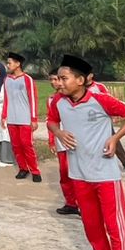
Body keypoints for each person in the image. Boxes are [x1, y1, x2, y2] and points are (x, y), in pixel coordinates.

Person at [47, 55, 125, 250]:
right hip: (79, 175)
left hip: (105, 175)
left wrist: (115, 138)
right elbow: (51, 120)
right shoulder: (59, 101)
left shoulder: (99, 99)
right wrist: (58, 132)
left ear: (80, 80)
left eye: (64, 78)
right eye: (59, 78)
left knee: (116, 229)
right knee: (92, 228)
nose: (60, 83)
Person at [46, 68, 80, 216]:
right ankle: (71, 203)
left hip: (76, 143)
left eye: (58, 79)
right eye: (53, 80)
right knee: (65, 173)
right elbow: (51, 122)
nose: (55, 82)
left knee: (78, 174)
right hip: (61, 143)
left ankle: (83, 204)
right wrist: (52, 141)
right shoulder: (52, 99)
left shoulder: (76, 97)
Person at [3, 53, 41, 180]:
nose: (7, 65)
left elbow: (33, 99)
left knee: (26, 145)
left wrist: (34, 119)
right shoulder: (7, 79)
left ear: (18, 64)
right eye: (7, 63)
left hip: (24, 118)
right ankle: (23, 168)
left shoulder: (27, 79)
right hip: (11, 118)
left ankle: (35, 171)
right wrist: (4, 116)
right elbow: (6, 99)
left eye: (10, 63)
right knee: (16, 145)